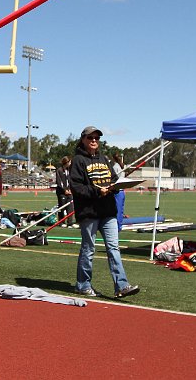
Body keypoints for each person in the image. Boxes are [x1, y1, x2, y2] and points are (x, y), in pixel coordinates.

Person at [69, 126, 139, 299]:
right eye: (90, 138)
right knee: (88, 249)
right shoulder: (78, 160)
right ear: (83, 139)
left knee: (113, 248)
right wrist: (96, 191)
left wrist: (117, 186)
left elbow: (113, 179)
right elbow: (76, 188)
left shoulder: (104, 158)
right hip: (89, 213)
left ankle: (121, 286)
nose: (94, 141)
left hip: (108, 211)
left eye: (96, 138)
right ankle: (83, 285)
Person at [55, 156, 75, 227]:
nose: (70, 163)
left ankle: (70, 222)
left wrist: (70, 189)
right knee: (62, 207)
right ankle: (61, 222)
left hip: (69, 192)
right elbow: (59, 181)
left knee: (70, 206)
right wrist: (64, 190)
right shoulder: (59, 170)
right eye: (69, 162)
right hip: (61, 192)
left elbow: (71, 180)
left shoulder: (70, 170)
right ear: (66, 162)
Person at [112, 153, 126, 232]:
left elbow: (113, 178)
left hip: (117, 191)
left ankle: (117, 227)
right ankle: (119, 226)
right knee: (120, 210)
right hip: (122, 191)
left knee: (117, 210)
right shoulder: (122, 166)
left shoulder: (115, 167)